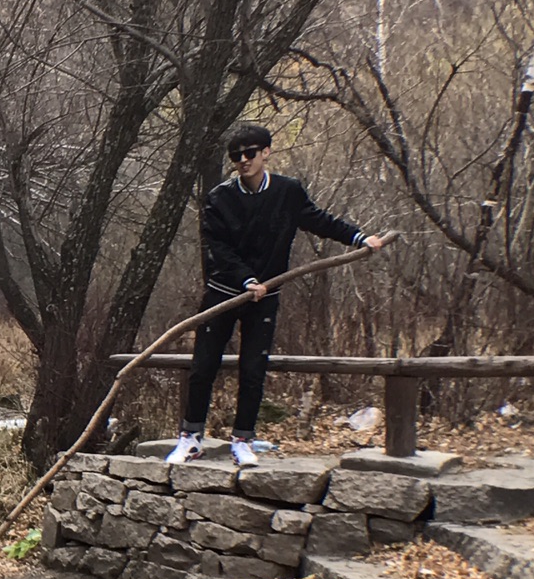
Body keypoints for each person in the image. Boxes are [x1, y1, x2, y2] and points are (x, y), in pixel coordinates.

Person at [167, 124, 391, 468]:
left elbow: (319, 220)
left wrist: (359, 238)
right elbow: (219, 249)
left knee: (253, 369)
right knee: (203, 366)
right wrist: (247, 280)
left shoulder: (288, 192)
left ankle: (242, 440)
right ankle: (191, 438)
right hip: (224, 293)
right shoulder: (219, 198)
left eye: (250, 153)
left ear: (266, 152)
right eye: (236, 156)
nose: (243, 161)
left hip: (267, 295)